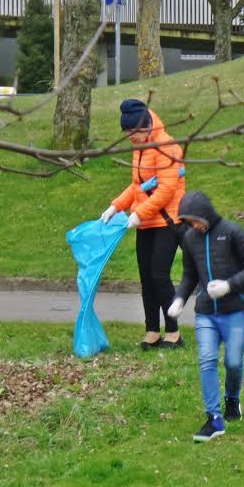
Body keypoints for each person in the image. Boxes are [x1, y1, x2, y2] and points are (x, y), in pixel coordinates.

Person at [165, 192, 244, 442]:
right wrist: (179, 299)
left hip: (235, 310)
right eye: (188, 222)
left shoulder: (232, 232)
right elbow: (189, 275)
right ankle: (214, 418)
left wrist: (229, 285)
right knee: (207, 360)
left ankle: (232, 398)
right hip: (206, 313)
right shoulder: (189, 238)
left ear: (206, 213)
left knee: (232, 363)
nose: (193, 226)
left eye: (195, 220)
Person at [99, 99, 186, 349]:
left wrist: (138, 214)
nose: (129, 137)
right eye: (126, 132)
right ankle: (152, 331)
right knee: (146, 278)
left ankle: (173, 332)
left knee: (159, 276)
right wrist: (116, 206)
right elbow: (139, 187)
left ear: (147, 127)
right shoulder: (140, 148)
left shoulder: (165, 147)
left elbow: (167, 190)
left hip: (167, 222)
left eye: (133, 131)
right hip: (146, 222)